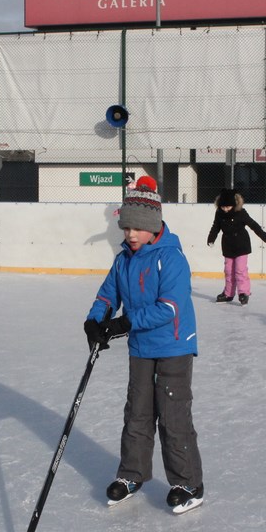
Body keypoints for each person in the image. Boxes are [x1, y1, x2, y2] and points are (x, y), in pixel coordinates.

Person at [83, 181, 204, 514]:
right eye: (126, 227)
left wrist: (124, 323)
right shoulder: (124, 259)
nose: (131, 233)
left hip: (174, 345)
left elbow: (169, 308)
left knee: (172, 415)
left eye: (138, 227)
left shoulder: (171, 258)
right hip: (141, 347)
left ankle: (188, 483)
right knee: (137, 412)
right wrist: (95, 321)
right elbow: (108, 295)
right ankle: (132, 474)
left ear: (153, 227)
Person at [206, 188, 266, 305]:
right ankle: (228, 294)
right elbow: (215, 226)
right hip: (227, 245)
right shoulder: (219, 213)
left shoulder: (241, 212)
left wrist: (263, 236)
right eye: (223, 207)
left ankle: (243, 293)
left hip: (241, 245)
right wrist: (211, 239)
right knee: (228, 271)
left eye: (228, 207)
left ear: (233, 204)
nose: (225, 209)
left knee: (240, 270)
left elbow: (252, 224)